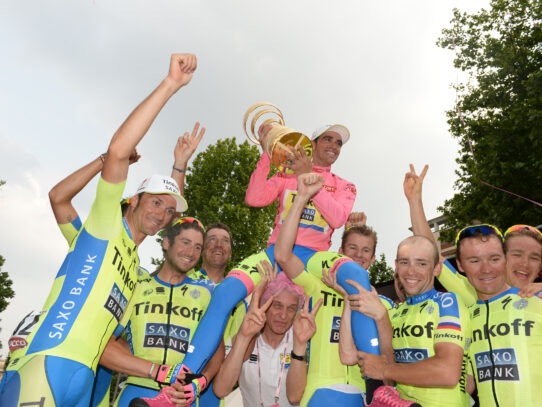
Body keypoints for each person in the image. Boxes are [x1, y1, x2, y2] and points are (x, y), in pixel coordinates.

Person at [0, 53, 198, 407]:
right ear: (133, 201)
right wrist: (171, 85)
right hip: (49, 364)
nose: (162, 213)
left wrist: (178, 167)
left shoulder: (134, 272)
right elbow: (118, 150)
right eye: (154, 202)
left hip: (87, 380)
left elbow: (174, 223)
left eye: (168, 210)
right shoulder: (105, 225)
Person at [176, 124, 378, 390]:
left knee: (356, 275)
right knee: (225, 292)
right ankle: (184, 378)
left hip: (313, 257)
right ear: (312, 143)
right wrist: (267, 155)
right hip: (275, 253)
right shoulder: (286, 175)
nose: (333, 145)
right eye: (327, 139)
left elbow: (338, 218)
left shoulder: (344, 185)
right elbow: (254, 197)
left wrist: (308, 177)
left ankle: (377, 382)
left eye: (339, 143)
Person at [274, 172, 393, 406]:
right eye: (352, 248)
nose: (358, 255)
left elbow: (390, 355)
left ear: (373, 258)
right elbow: (283, 255)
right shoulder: (317, 285)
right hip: (319, 390)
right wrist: (300, 199)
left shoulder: (384, 304)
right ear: (340, 252)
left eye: (365, 250)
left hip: (364, 395)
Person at [97, 218, 224, 407]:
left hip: (181, 397)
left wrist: (201, 381)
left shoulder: (206, 292)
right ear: (166, 242)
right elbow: (103, 345)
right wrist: (156, 369)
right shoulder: (137, 285)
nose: (190, 253)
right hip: (137, 391)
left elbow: (217, 350)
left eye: (198, 247)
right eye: (185, 242)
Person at [341, 234, 472, 407]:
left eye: (421, 263)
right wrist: (381, 318)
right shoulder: (396, 313)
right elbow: (388, 380)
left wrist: (384, 369)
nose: (411, 271)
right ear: (396, 265)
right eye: (404, 262)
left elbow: (447, 372)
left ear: (436, 268)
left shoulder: (448, 302)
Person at [453, 223, 542, 406]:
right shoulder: (466, 318)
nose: (486, 269)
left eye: (494, 259)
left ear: (505, 260)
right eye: (475, 261)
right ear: (461, 266)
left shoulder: (537, 300)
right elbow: (465, 385)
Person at [213, 264, 318, 407]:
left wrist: (300, 345)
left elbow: (295, 397)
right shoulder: (247, 338)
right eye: (277, 305)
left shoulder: (302, 340)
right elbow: (221, 390)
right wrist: (244, 337)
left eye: (291, 308)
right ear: (265, 305)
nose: (283, 315)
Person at [187, 223, 247, 406]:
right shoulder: (186, 278)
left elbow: (238, 350)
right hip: (176, 375)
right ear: (202, 247)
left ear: (230, 251)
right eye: (212, 239)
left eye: (225, 241)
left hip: (212, 390)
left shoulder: (239, 297)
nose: (219, 245)